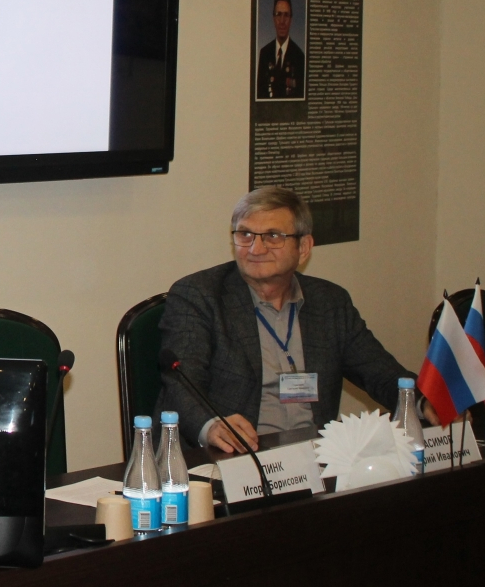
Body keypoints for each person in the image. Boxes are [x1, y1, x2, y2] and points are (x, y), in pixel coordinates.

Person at [155, 186, 437, 452]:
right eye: (245, 235)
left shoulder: (329, 302)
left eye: (273, 236)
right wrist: (211, 426)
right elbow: (181, 383)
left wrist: (425, 402)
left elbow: (380, 372)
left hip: (315, 455)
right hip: (235, 456)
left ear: (304, 247)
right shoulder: (200, 296)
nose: (256, 249)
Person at [256, 0, 305, 99]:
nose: (282, 21)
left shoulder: (299, 57)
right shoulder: (264, 53)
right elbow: (259, 95)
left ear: (291, 19)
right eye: (278, 14)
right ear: (273, 18)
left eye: (286, 15)